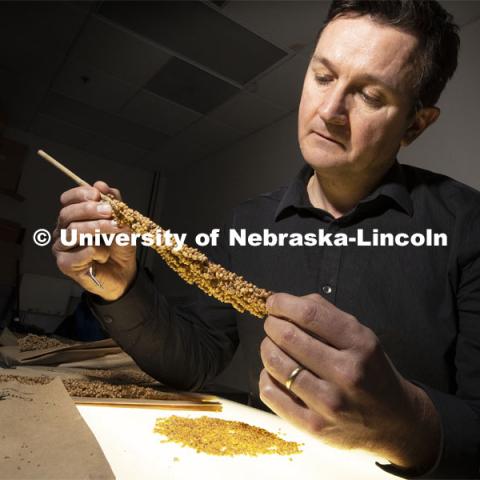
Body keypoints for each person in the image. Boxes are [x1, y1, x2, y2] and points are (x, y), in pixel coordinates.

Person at [52, 1, 480, 478]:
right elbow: (195, 359)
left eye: (370, 96)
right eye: (323, 77)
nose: (331, 110)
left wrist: (406, 424)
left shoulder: (467, 226)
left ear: (416, 125)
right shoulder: (246, 222)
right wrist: (121, 289)